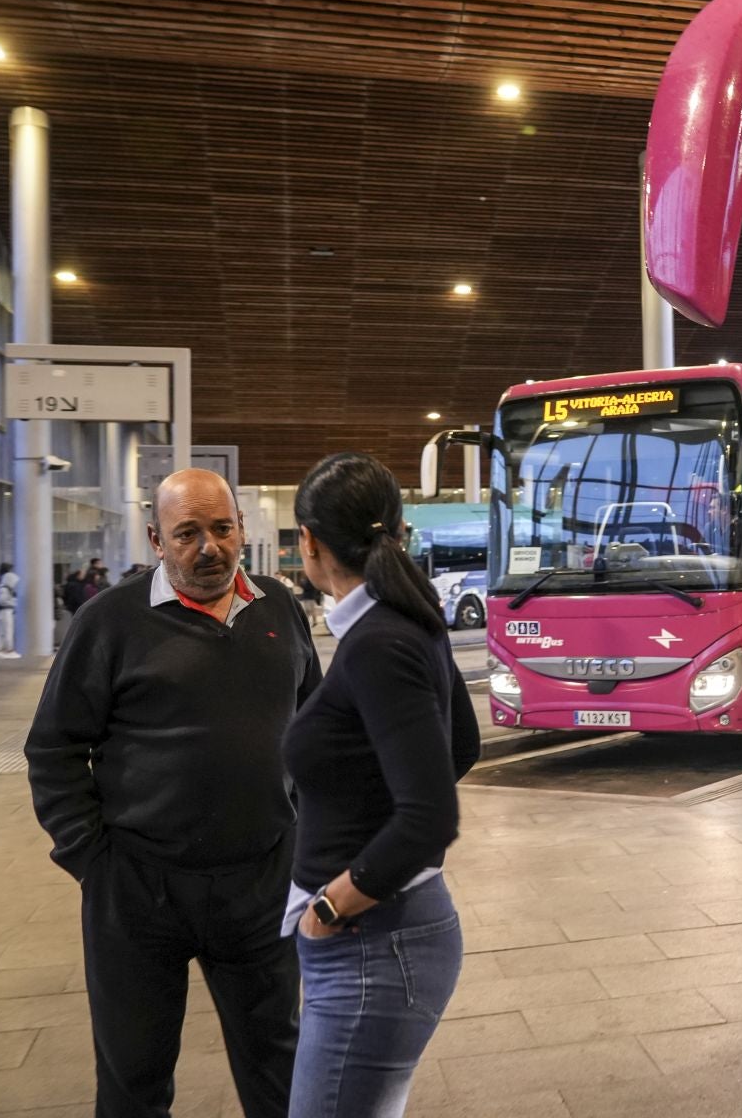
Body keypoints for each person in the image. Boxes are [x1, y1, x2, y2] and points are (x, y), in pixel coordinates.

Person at [25, 469, 322, 1118]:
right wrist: (93, 862)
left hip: (261, 885)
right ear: (157, 540)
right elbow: (53, 749)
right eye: (188, 534)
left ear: (243, 529)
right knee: (134, 1077)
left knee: (279, 1068)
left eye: (222, 528)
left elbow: (313, 729)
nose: (208, 547)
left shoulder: (280, 607)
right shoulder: (108, 621)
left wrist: (304, 840)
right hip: (139, 894)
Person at [286, 453, 478, 1118]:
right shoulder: (409, 619)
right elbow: (462, 747)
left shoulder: (378, 641)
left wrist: (330, 908)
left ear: (309, 543)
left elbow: (428, 817)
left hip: (371, 944)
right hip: (388, 940)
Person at [0, 562, 22, 657]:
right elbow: (2, 601)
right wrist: (14, 602)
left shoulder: (2, 587)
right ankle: (8, 650)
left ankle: (0, 650)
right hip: (6, 612)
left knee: (2, 632)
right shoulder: (4, 589)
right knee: (7, 631)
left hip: (3, 613)